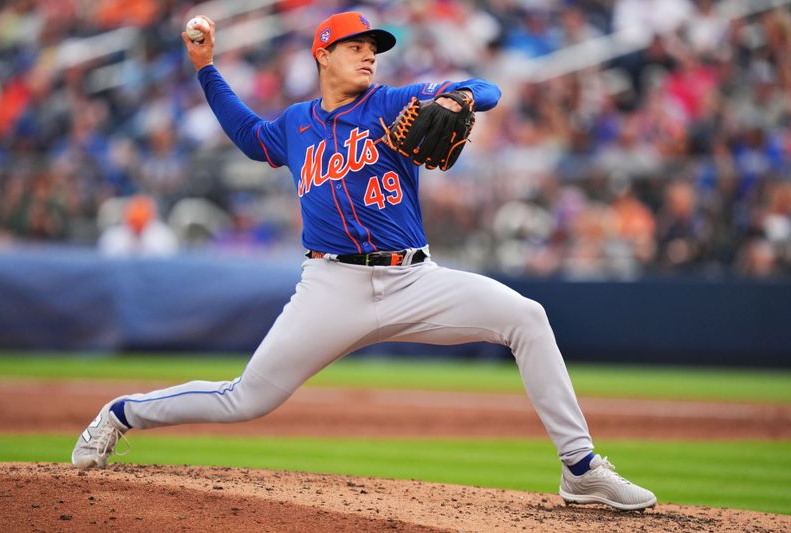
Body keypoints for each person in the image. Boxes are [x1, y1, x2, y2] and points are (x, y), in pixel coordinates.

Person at [71, 11, 656, 511]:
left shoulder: (394, 102)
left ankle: (579, 469)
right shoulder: (297, 125)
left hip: (413, 278)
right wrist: (205, 68)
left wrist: (458, 97)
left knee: (526, 316)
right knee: (246, 398)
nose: (369, 55)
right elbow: (250, 136)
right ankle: (121, 414)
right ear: (322, 54)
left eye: (373, 48)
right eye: (356, 46)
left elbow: (487, 87)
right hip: (331, 286)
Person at [98, 195, 179, 257]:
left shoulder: (163, 236)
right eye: (134, 221)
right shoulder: (114, 236)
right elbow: (107, 263)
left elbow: (168, 263)